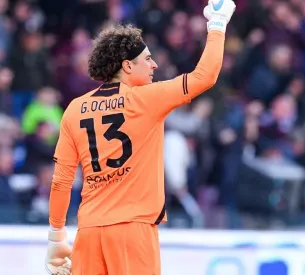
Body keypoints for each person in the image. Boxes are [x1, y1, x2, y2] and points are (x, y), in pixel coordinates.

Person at [44, 0, 236, 274]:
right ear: (127, 66)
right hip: (132, 230)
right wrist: (217, 25)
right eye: (147, 58)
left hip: (88, 232)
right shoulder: (147, 99)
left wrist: (56, 235)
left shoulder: (75, 108)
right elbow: (205, 76)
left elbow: (61, 180)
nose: (155, 64)